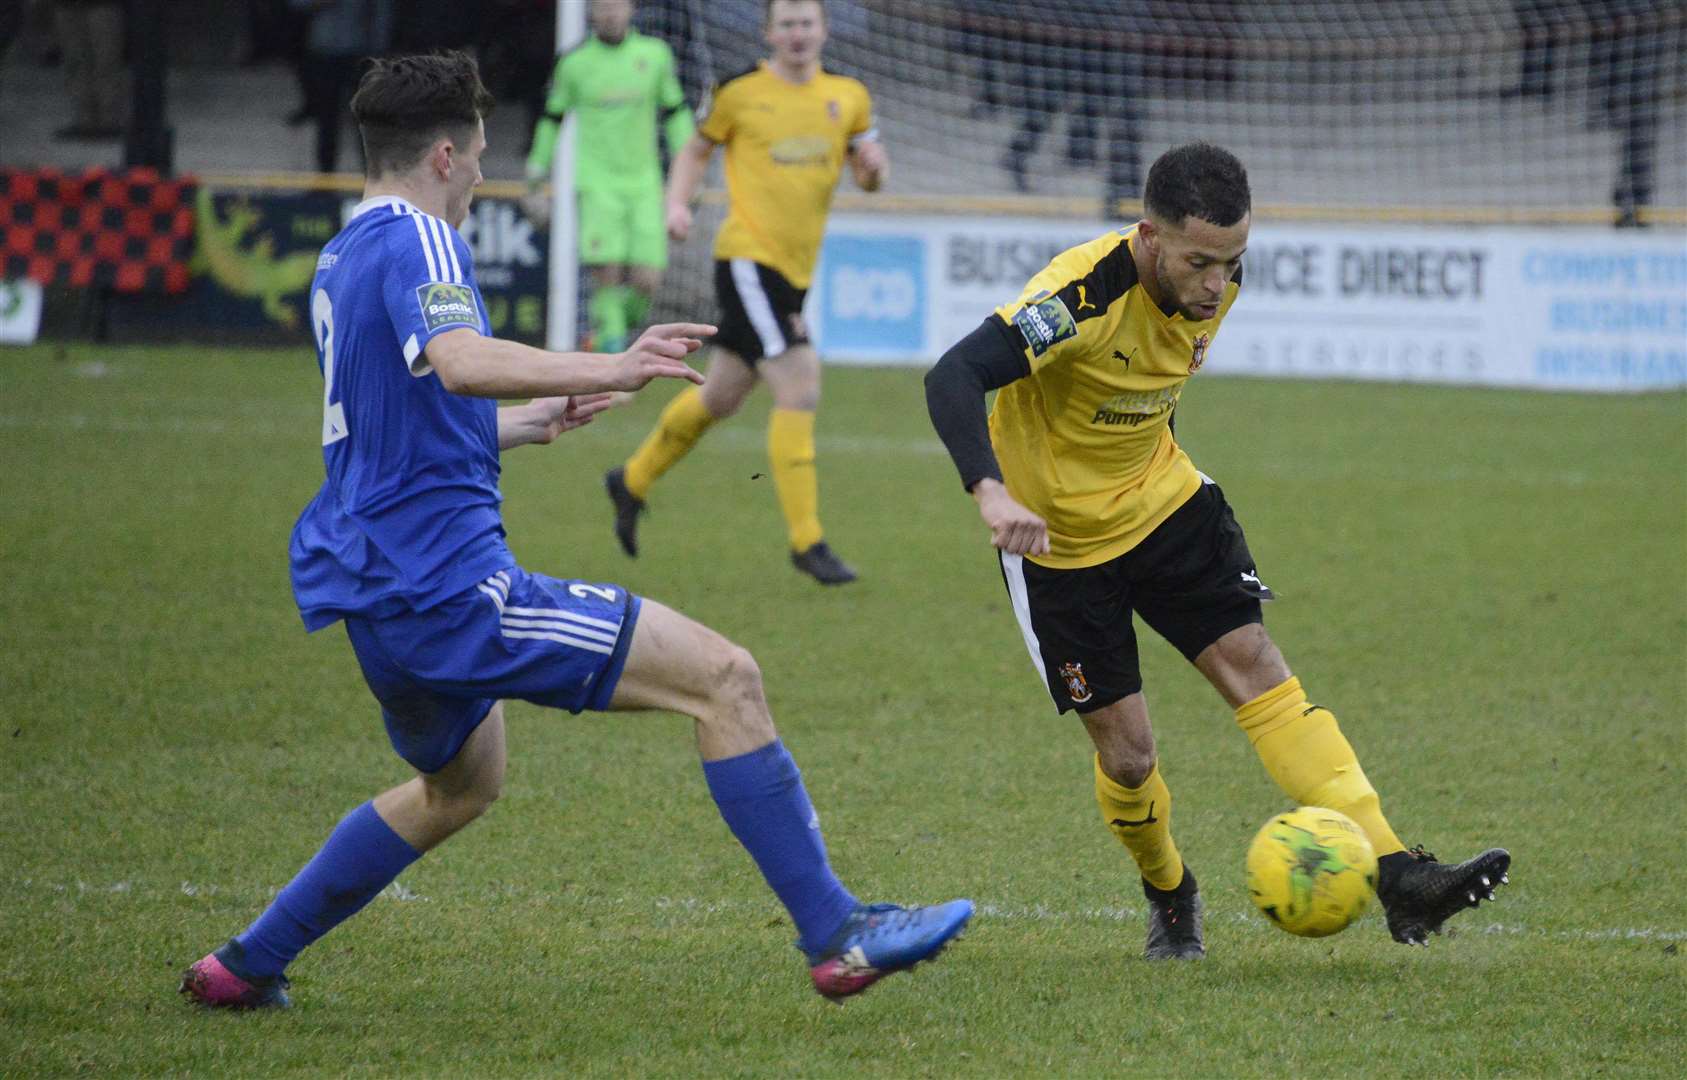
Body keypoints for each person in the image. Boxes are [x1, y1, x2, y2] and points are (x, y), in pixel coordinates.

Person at [179, 51, 971, 1011]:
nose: (481, 172)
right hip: (447, 590)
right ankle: (838, 936)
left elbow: (396, 418)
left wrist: (526, 422)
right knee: (726, 679)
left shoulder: (344, 254)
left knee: (460, 788)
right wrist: (610, 367)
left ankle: (243, 966)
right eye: (476, 154)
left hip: (373, 592)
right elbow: (462, 361)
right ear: (441, 153)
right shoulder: (424, 240)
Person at [923, 142, 1509, 959]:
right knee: (1128, 759)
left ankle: (1398, 873)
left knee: (1254, 661)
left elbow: (1141, 394)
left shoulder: (1219, 278)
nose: (1215, 284)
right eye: (1198, 262)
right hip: (1060, 548)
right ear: (1147, 236)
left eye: (1231, 263)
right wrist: (990, 490)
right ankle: (1169, 892)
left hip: (1165, 506)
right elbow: (951, 375)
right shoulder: (1077, 297)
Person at [602, 0, 888, 586]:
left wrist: (876, 169)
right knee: (800, 381)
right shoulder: (738, 92)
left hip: (795, 272)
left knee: (723, 395)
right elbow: (696, 148)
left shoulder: (850, 97)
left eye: (807, 23)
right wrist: (676, 203)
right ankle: (808, 541)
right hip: (747, 260)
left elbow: (867, 175)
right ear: (768, 34)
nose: (798, 33)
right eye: (786, 24)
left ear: (825, 31)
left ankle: (630, 480)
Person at [523, 0, 694, 355]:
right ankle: (614, 357)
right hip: (597, 184)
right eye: (602, 7)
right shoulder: (574, 64)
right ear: (591, 13)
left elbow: (675, 112)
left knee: (648, 280)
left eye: (616, 6)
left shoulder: (655, 55)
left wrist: (691, 164)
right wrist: (536, 173)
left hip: (645, 184)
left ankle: (606, 334)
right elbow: (551, 119)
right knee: (607, 273)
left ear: (631, 9)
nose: (610, 13)